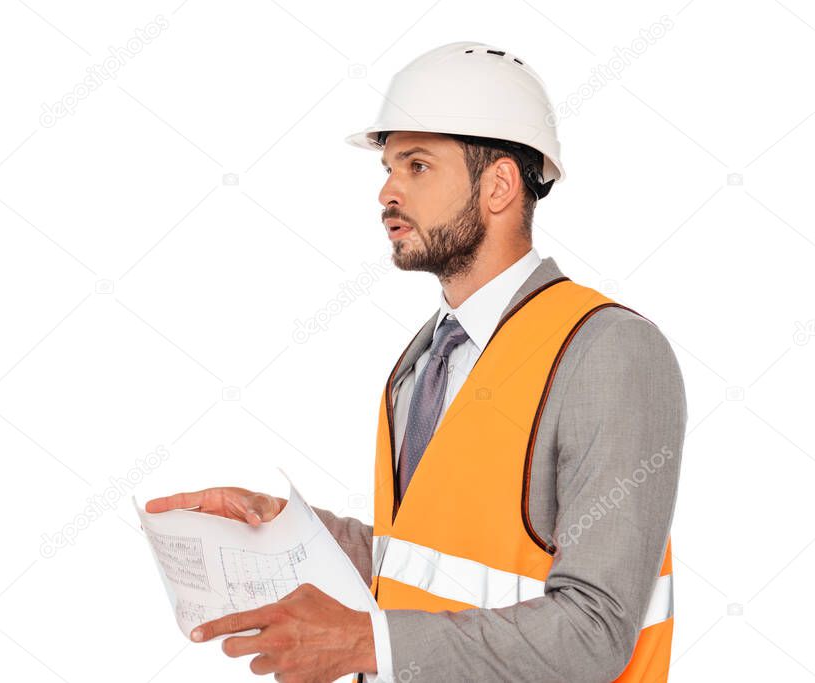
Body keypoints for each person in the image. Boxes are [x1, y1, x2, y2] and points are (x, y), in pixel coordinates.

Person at [146, 41, 687, 682]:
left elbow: (595, 630)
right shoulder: (424, 360)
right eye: (388, 166)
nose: (386, 190)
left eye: (418, 165)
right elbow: (424, 564)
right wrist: (285, 529)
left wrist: (371, 644)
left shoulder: (609, 352)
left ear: (499, 186)